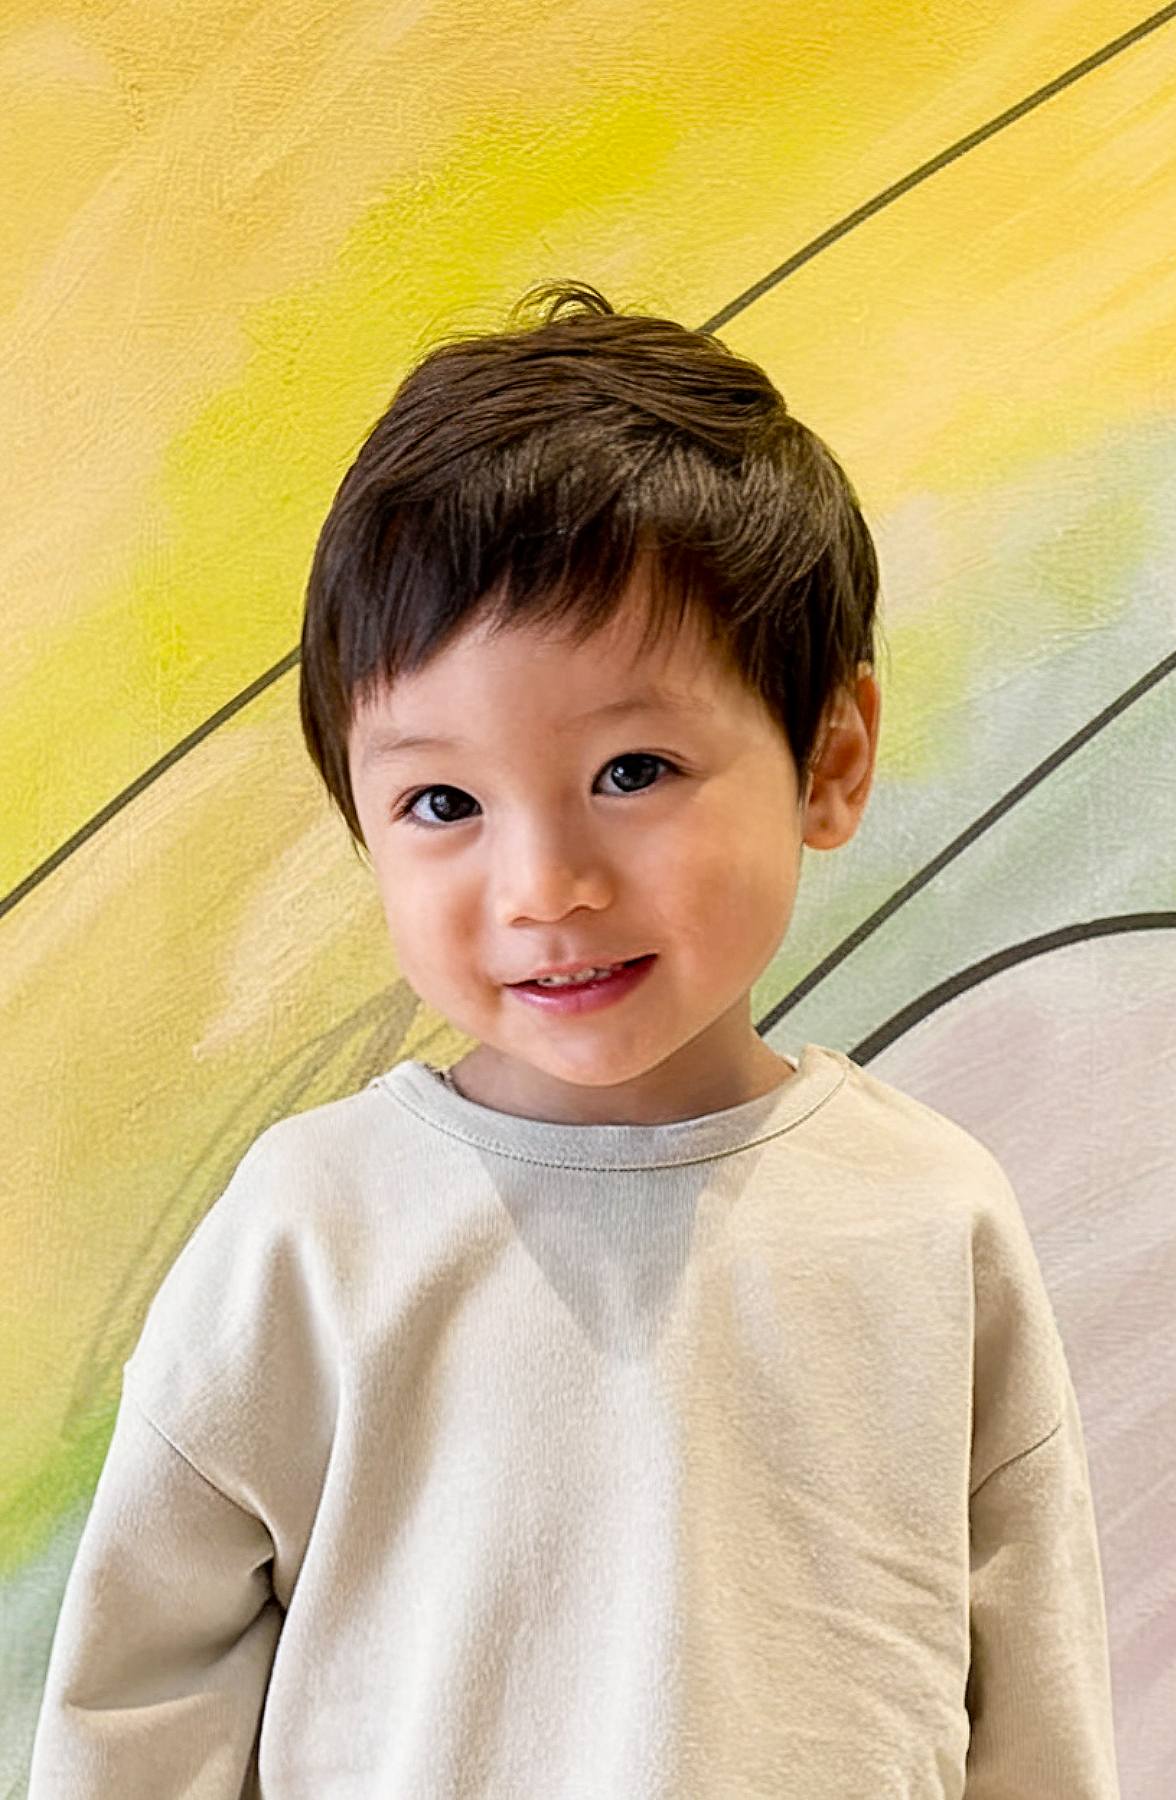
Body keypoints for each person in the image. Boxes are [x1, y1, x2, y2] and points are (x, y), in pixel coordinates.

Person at [28, 281, 1120, 1797]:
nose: (543, 885)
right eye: (443, 803)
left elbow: (1041, 1722)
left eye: (633, 767)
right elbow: (138, 1710)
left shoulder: (932, 1221)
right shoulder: (313, 1230)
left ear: (832, 757)